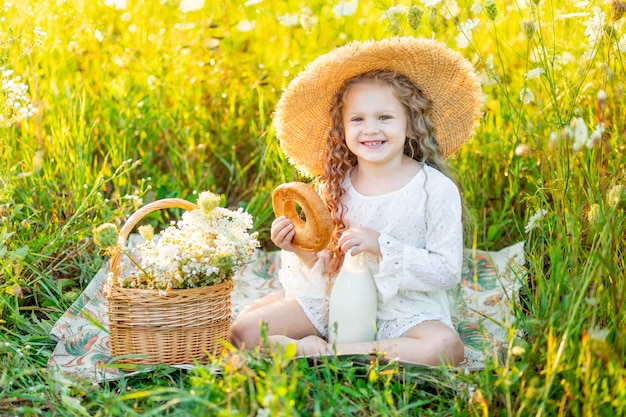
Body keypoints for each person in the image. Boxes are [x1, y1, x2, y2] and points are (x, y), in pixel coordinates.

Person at [230, 37, 483, 366]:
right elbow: (323, 264)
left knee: (446, 347)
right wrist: (297, 247)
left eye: (385, 118)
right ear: (342, 130)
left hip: (402, 309)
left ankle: (326, 352)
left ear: (411, 125)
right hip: (333, 301)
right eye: (357, 119)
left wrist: (381, 246)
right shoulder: (333, 186)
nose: (371, 129)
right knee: (243, 333)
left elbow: (447, 271)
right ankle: (331, 342)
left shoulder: (434, 189)